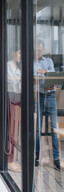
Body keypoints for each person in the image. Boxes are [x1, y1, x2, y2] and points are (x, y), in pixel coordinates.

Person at [34, 39, 60, 170]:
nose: (38, 52)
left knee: (54, 128)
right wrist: (38, 76)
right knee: (38, 128)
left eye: (40, 50)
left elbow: (53, 78)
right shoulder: (30, 63)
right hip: (38, 96)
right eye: (36, 50)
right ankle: (37, 157)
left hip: (50, 97)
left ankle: (56, 158)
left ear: (43, 50)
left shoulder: (48, 61)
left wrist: (45, 73)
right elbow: (31, 80)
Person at [7, 47, 21, 172]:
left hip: (19, 99)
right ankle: (9, 160)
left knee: (16, 131)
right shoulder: (8, 66)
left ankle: (12, 158)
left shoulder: (20, 67)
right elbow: (9, 82)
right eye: (19, 53)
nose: (20, 55)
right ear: (13, 53)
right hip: (11, 99)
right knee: (11, 131)